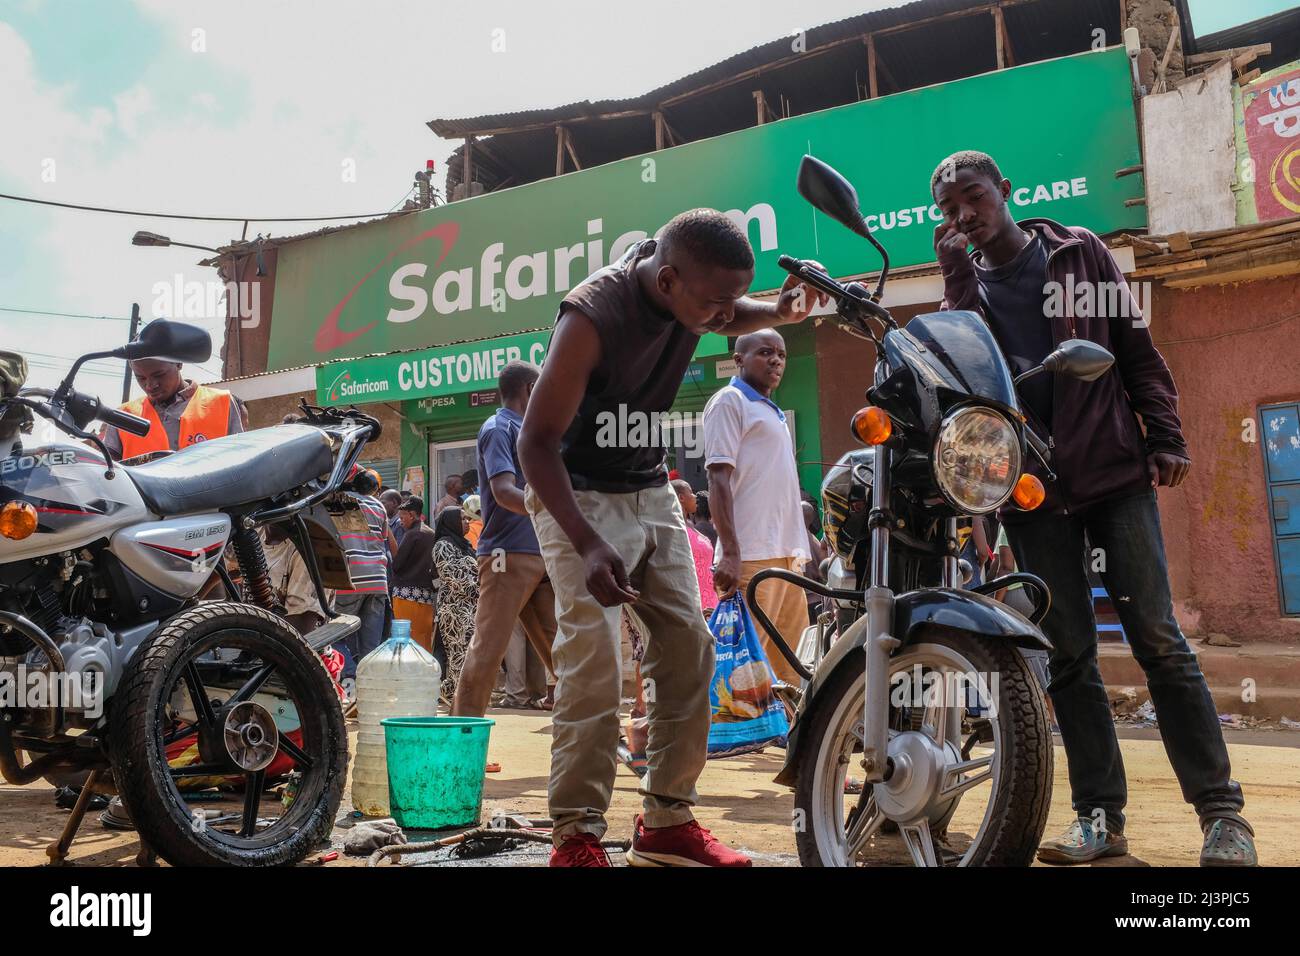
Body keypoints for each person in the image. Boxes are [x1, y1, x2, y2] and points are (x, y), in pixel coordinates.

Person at [931, 149, 1255, 866]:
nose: (963, 217)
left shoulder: (1079, 255)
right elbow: (962, 375)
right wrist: (956, 278)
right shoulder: (966, 289)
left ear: (1006, 190)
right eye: (948, 210)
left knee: (1160, 641)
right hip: (1032, 494)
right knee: (1070, 656)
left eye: (973, 197)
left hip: (1113, 475)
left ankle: (1222, 818)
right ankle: (1098, 819)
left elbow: (1135, 348)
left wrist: (1164, 433)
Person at [516, 207, 824, 867]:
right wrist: (586, 541)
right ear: (666, 282)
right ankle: (575, 834)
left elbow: (731, 310)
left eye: (730, 301)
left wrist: (784, 310)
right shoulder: (590, 319)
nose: (725, 317)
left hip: (649, 490)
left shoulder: (695, 294)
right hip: (576, 492)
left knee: (690, 649)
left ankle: (666, 821)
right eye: (714, 303)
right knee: (595, 661)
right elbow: (534, 445)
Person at [704, 328, 810, 687]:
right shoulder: (729, 402)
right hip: (750, 557)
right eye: (765, 352)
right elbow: (718, 478)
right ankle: (733, 742)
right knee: (742, 668)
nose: (776, 360)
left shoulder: (772, 412)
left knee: (790, 664)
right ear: (739, 359)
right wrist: (731, 553)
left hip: (786, 556)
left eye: (781, 354)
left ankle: (792, 739)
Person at [452, 361, 558, 718]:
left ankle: (593, 736)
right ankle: (461, 744)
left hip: (540, 554)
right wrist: (551, 502)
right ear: (530, 388)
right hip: (506, 555)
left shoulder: (530, 431)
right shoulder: (498, 429)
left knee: (566, 654)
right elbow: (502, 491)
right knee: (487, 650)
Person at [102, 337, 243, 460]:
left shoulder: (221, 403)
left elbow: (239, 462)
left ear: (179, 363)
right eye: (141, 378)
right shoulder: (123, 417)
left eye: (159, 375)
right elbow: (109, 475)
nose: (150, 385)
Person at [431, 506, 479, 701]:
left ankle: (457, 693)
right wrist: (481, 589)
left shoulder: (464, 545)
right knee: (458, 653)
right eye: (462, 519)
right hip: (455, 610)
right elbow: (454, 577)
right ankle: (459, 696)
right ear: (451, 522)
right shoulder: (443, 546)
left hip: (471, 608)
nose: (467, 522)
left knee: (467, 653)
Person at [390, 497, 438, 653]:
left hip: (405, 596)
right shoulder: (431, 533)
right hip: (426, 597)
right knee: (424, 639)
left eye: (402, 517)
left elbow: (397, 565)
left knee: (408, 641)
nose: (401, 521)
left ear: (412, 515)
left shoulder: (411, 535)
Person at [672, 479, 718, 616]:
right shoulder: (673, 529)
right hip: (691, 600)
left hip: (711, 597)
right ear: (681, 498)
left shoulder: (690, 525)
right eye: (691, 493)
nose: (695, 497)